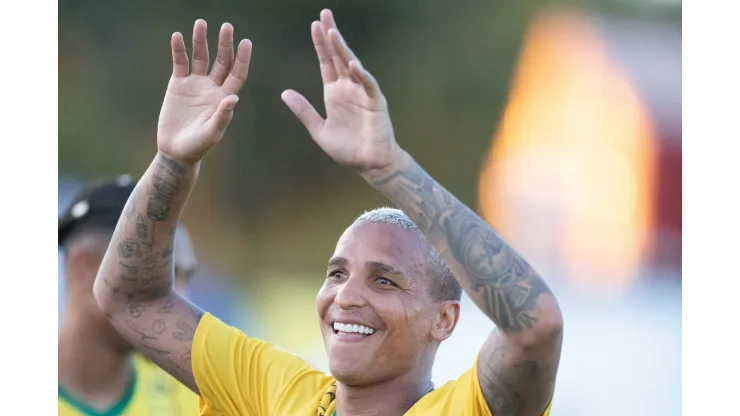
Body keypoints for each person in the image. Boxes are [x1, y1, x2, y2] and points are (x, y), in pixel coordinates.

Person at [94, 10, 563, 416]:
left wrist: (391, 166)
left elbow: (536, 326)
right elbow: (130, 300)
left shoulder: (469, 408)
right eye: (337, 273)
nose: (346, 296)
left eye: (384, 280)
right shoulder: (275, 393)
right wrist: (174, 162)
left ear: (444, 320)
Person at [58, 175, 200, 415]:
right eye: (161, 274)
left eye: (185, 277)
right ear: (85, 268)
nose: (184, 303)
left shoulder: (196, 402)